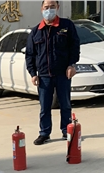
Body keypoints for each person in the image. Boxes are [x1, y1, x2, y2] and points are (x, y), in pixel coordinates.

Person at [26, 0, 80, 145]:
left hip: (63, 74)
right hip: (44, 76)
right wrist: (33, 73)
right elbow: (30, 55)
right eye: (46, 7)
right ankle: (44, 133)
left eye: (52, 7)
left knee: (65, 104)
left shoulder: (66, 26)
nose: (49, 10)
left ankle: (66, 130)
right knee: (45, 107)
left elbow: (74, 46)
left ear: (57, 8)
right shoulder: (36, 31)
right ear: (41, 9)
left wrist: (71, 65)